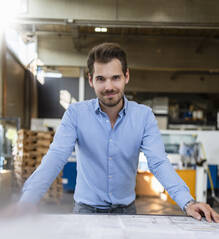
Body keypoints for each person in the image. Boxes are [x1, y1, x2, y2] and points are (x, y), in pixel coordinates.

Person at [14, 43, 219, 221]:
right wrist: (27, 200)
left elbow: (158, 163)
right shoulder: (75, 114)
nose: (109, 86)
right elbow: (56, 158)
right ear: (91, 80)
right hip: (85, 212)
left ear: (126, 76)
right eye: (101, 79)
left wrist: (188, 202)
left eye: (115, 78)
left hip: (126, 212)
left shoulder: (144, 116)